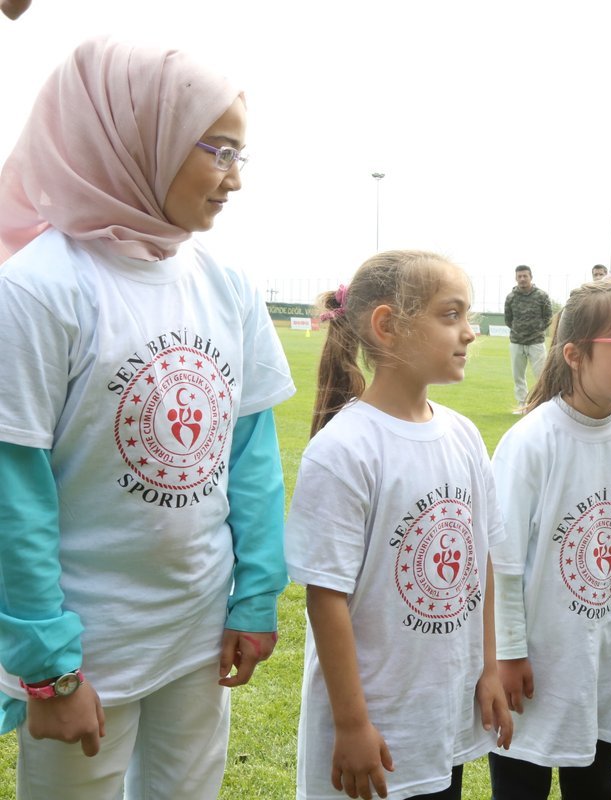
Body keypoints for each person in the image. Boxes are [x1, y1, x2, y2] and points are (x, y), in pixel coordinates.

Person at [0, 38, 295, 798]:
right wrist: (50, 670)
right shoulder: (39, 289)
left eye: (242, 156)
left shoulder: (227, 285)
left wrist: (256, 593)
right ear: (139, 139)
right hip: (89, 646)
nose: (234, 180)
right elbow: (14, 491)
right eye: (219, 151)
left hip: (198, 633)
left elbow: (251, 452)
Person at [285, 251, 513, 800]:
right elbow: (326, 597)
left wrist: (488, 668)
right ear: (388, 326)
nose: (470, 332)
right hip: (373, 729)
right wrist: (352, 724)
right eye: (450, 315)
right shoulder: (344, 450)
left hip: (440, 718)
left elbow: (479, 562)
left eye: (469, 314)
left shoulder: (463, 437)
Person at [487, 280, 611, 800]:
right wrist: (511, 652)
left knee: (594, 779)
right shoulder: (531, 443)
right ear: (574, 354)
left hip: (607, 651)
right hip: (537, 660)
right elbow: (503, 562)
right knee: (521, 783)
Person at [505, 265, 553, 411]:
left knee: (540, 376)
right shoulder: (511, 297)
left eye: (525, 276)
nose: (522, 279)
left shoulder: (541, 296)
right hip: (516, 342)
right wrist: (519, 331)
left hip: (536, 343)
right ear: (516, 278)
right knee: (518, 377)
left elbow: (548, 317)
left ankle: (541, 404)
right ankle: (522, 405)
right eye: (519, 276)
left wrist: (537, 330)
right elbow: (508, 320)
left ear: (531, 277)